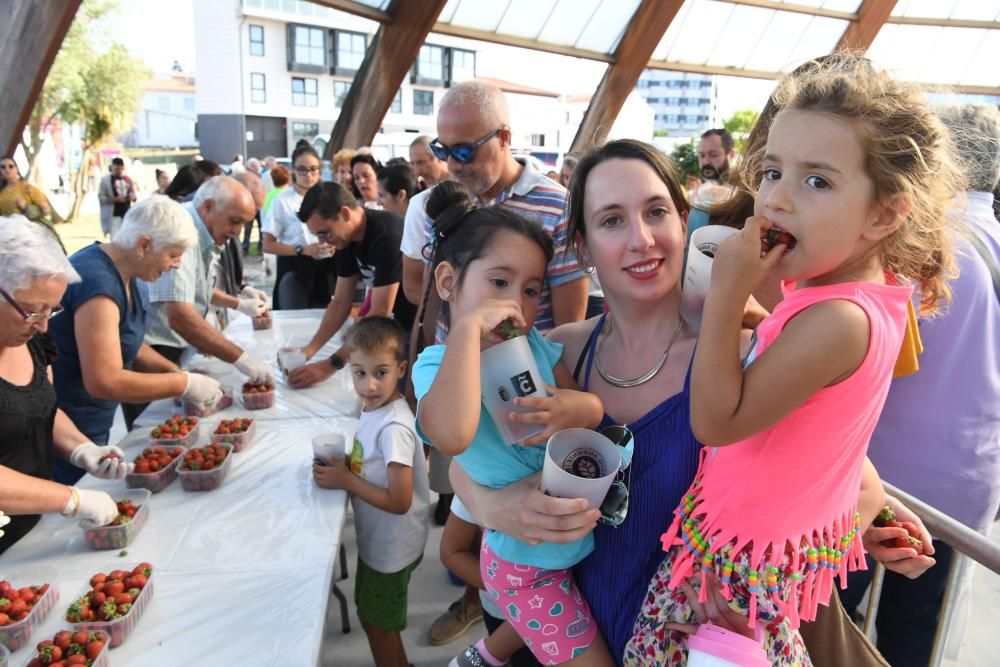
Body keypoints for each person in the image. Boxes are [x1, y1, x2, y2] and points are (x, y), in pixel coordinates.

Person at [450, 138, 908, 667]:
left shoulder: (739, 359)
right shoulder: (555, 354)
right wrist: (490, 506)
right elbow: (465, 451)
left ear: (683, 222)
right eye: (612, 221)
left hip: (687, 648)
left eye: (656, 212)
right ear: (583, 247)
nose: (641, 239)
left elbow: (861, 486)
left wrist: (757, 597)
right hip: (566, 643)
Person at [622, 58, 960, 665]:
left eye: (818, 181)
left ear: (885, 213)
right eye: (774, 171)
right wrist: (758, 317)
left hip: (733, 579)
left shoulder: (835, 320)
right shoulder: (866, 297)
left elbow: (717, 422)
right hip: (752, 552)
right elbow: (829, 424)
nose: (775, 198)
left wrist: (726, 296)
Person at [413, 182, 611, 667]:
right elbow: (452, 436)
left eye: (529, 290)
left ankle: (481, 658)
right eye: (498, 282)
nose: (514, 303)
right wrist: (465, 332)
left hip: (573, 543)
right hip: (528, 566)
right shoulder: (436, 366)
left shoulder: (539, 349)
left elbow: (593, 412)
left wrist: (570, 409)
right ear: (446, 282)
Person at [838, 103, 1000, 666]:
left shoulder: (918, 249)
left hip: (886, 487)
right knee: (916, 636)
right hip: (969, 486)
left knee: (835, 627)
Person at [48, 197, 222, 483]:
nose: (177, 265)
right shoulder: (98, 284)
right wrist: (184, 384)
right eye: (173, 255)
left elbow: (128, 342)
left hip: (90, 424)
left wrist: (175, 372)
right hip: (70, 433)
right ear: (143, 246)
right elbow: (104, 380)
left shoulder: (125, 273)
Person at [0, 216, 127, 557]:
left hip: (30, 535)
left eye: (50, 310)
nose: (42, 326)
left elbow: (41, 408)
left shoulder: (31, 341)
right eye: (31, 311)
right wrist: (70, 499)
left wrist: (81, 448)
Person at [313, 316, 429, 667]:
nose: (369, 385)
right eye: (360, 373)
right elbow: (373, 464)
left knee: (378, 625)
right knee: (374, 617)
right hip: (378, 540)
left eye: (381, 372)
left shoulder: (394, 426)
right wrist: (347, 465)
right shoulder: (375, 410)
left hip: (391, 548)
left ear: (401, 368)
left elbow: (399, 499)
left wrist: (347, 481)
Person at [140, 176, 273, 385]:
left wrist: (238, 303)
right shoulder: (180, 232)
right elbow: (179, 316)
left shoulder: (202, 229)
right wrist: (240, 357)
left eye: (243, 224)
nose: (238, 232)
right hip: (152, 351)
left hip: (172, 346)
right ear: (208, 207)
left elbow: (197, 288)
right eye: (234, 221)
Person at [287, 183, 416, 388]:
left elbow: (380, 312)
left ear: (345, 213)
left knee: (398, 391)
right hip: (396, 321)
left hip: (418, 324)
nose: (323, 242)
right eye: (318, 236)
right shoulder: (345, 239)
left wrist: (330, 365)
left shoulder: (387, 235)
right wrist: (309, 350)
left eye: (325, 233)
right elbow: (340, 302)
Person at [261, 141, 335, 310]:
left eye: (313, 169)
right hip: (294, 270)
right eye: (302, 169)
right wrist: (302, 250)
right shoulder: (282, 200)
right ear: (293, 169)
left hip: (327, 270)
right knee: (294, 323)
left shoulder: (329, 197)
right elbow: (267, 244)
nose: (308, 175)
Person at [98, 157, 137, 239]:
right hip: (113, 215)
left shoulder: (128, 179)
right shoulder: (105, 181)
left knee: (127, 238)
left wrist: (132, 197)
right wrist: (114, 199)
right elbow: (101, 197)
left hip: (127, 214)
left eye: (121, 169)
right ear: (112, 167)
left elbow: (134, 194)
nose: (119, 171)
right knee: (116, 239)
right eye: (117, 169)